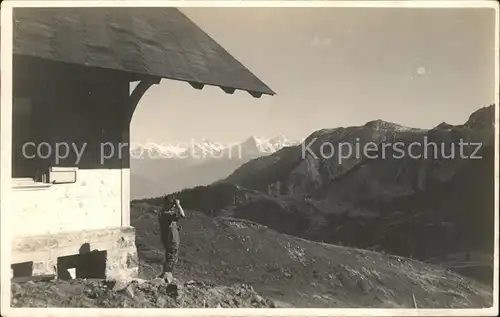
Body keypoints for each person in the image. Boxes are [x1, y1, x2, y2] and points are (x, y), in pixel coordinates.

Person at [157, 195, 186, 283]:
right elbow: (182, 215)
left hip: (168, 238)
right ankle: (166, 277)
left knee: (170, 257)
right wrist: (178, 205)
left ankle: (165, 275)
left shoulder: (162, 213)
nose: (174, 206)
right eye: (172, 205)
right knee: (171, 258)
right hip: (171, 240)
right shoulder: (167, 213)